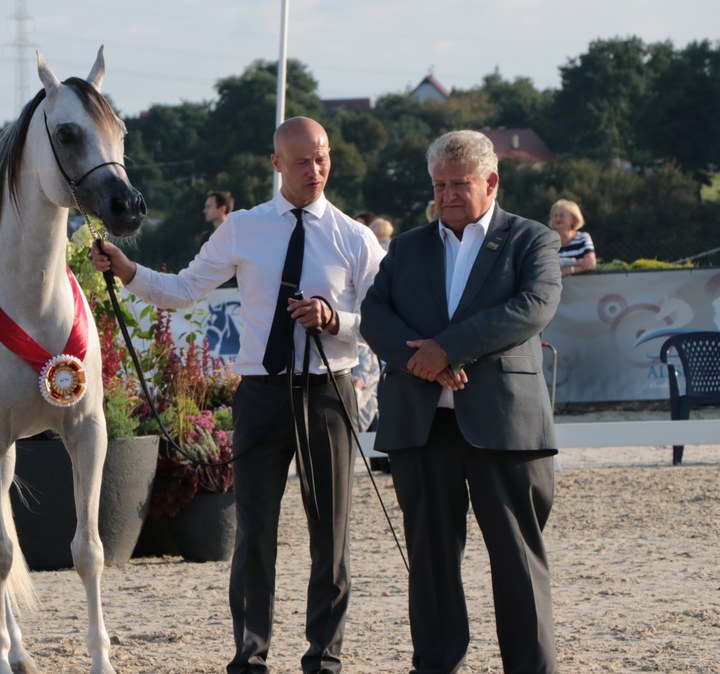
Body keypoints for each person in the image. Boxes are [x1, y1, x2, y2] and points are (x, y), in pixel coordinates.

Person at [93, 116, 384, 674]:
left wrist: (333, 319)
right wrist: (129, 270)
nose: (315, 169)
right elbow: (183, 289)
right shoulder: (243, 228)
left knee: (332, 530)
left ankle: (325, 656)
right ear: (276, 164)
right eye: (301, 160)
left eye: (321, 157)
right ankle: (250, 656)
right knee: (253, 530)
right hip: (261, 395)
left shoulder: (354, 236)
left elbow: (383, 319)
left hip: (330, 392)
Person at [360, 129, 562, 674]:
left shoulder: (532, 240)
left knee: (517, 557)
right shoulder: (405, 247)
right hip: (421, 427)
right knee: (429, 560)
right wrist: (417, 362)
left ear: (491, 181)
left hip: (504, 424)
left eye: (460, 184)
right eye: (440, 185)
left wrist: (448, 349)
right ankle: (436, 662)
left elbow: (533, 306)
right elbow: (375, 315)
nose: (447, 195)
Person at [549, 198, 595, 276]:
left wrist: (566, 271)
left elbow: (591, 263)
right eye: (555, 215)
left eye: (561, 215)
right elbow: (548, 264)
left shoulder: (583, 238)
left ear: (573, 219)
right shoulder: (548, 241)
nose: (557, 218)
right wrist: (578, 263)